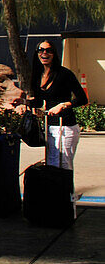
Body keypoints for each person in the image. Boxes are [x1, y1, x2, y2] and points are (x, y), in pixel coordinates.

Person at [16, 40, 87, 170]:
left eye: (48, 50)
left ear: (54, 54)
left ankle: (66, 191)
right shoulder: (37, 76)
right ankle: (55, 191)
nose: (44, 53)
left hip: (65, 126)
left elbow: (82, 99)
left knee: (63, 165)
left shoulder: (64, 74)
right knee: (51, 165)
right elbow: (38, 101)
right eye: (41, 50)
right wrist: (24, 104)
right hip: (50, 126)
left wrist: (63, 105)